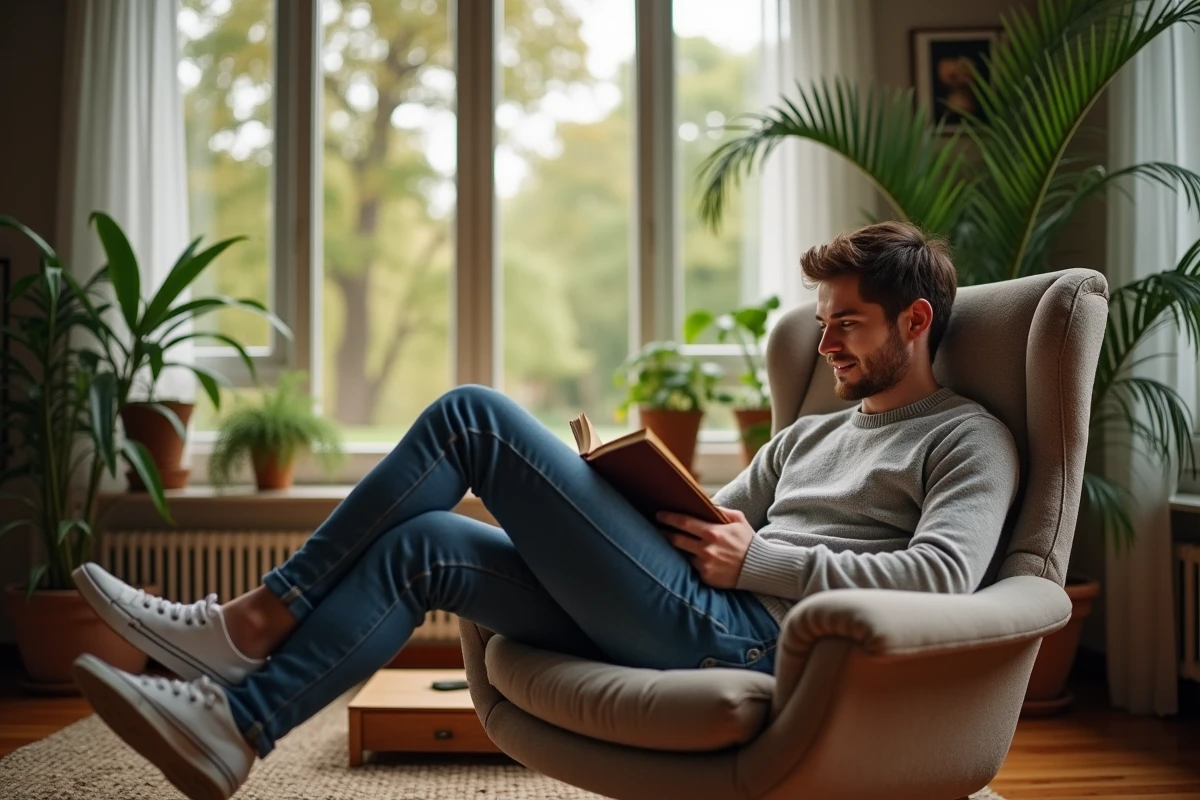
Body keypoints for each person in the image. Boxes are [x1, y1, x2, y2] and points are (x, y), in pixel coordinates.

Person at [69, 220, 1019, 800]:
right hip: (696, 600)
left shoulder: (965, 438)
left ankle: (248, 623)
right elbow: (702, 522)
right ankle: (237, 726)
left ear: (916, 321)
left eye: (846, 324)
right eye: (822, 328)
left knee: (471, 416)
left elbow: (940, 578)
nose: (830, 347)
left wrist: (759, 563)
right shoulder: (812, 434)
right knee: (432, 543)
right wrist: (597, 496)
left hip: (753, 635)